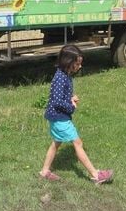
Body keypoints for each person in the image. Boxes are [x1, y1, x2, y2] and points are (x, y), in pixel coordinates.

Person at [39, 44, 114, 184]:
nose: (79, 66)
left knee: (56, 143)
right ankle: (96, 175)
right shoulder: (60, 78)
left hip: (56, 117)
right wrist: (71, 106)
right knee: (78, 143)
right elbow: (56, 101)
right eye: (77, 64)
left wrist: (70, 97)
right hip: (59, 118)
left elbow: (59, 97)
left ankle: (44, 171)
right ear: (68, 62)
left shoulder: (64, 75)